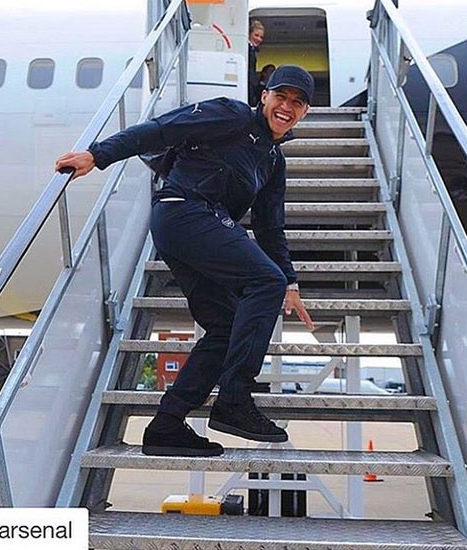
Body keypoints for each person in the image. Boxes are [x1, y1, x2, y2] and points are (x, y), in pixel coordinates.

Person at [55, 64, 316, 458]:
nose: (287, 107)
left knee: (226, 326)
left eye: (297, 103)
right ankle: (235, 398)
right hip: (183, 211)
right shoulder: (230, 115)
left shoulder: (273, 162)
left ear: (305, 112)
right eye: (281, 97)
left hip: (196, 226)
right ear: (264, 96)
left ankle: (167, 425)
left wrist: (290, 282)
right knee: (265, 281)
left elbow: (269, 228)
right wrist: (98, 154)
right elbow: (162, 130)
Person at [248, 19, 265, 106]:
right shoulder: (246, 49)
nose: (259, 39)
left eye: (261, 37)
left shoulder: (252, 50)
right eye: (256, 35)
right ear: (249, 34)